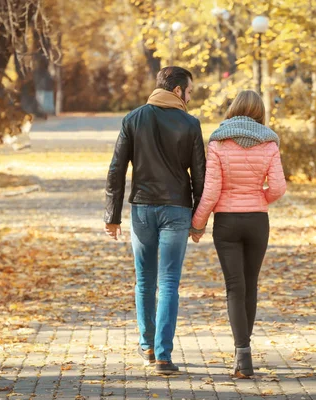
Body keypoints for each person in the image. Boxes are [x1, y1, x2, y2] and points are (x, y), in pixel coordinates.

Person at [104, 66, 206, 375]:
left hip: (142, 210)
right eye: (189, 92)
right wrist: (198, 219)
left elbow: (116, 170)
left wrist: (113, 215)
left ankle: (146, 346)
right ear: (177, 91)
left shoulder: (134, 119)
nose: (190, 98)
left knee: (145, 280)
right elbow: (200, 176)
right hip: (176, 211)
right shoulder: (190, 124)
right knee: (169, 282)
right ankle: (163, 355)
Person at [190, 90, 287, 378]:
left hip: (227, 223)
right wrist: (259, 199)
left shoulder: (219, 141)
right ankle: (242, 351)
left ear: (234, 108)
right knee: (251, 284)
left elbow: (211, 191)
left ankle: (242, 354)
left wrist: (198, 223)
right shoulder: (270, 141)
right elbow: (279, 188)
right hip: (258, 221)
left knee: (235, 286)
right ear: (260, 112)